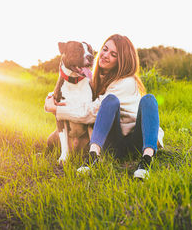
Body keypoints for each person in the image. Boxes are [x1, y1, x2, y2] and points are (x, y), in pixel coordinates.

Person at [44, 34, 163, 179]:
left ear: (122, 60)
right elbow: (76, 95)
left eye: (113, 54)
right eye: (105, 49)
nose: (105, 55)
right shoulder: (96, 77)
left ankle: (146, 161)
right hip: (113, 142)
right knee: (110, 101)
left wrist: (56, 109)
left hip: (135, 141)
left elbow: (91, 113)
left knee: (149, 100)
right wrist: (52, 96)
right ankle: (92, 158)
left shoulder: (126, 82)